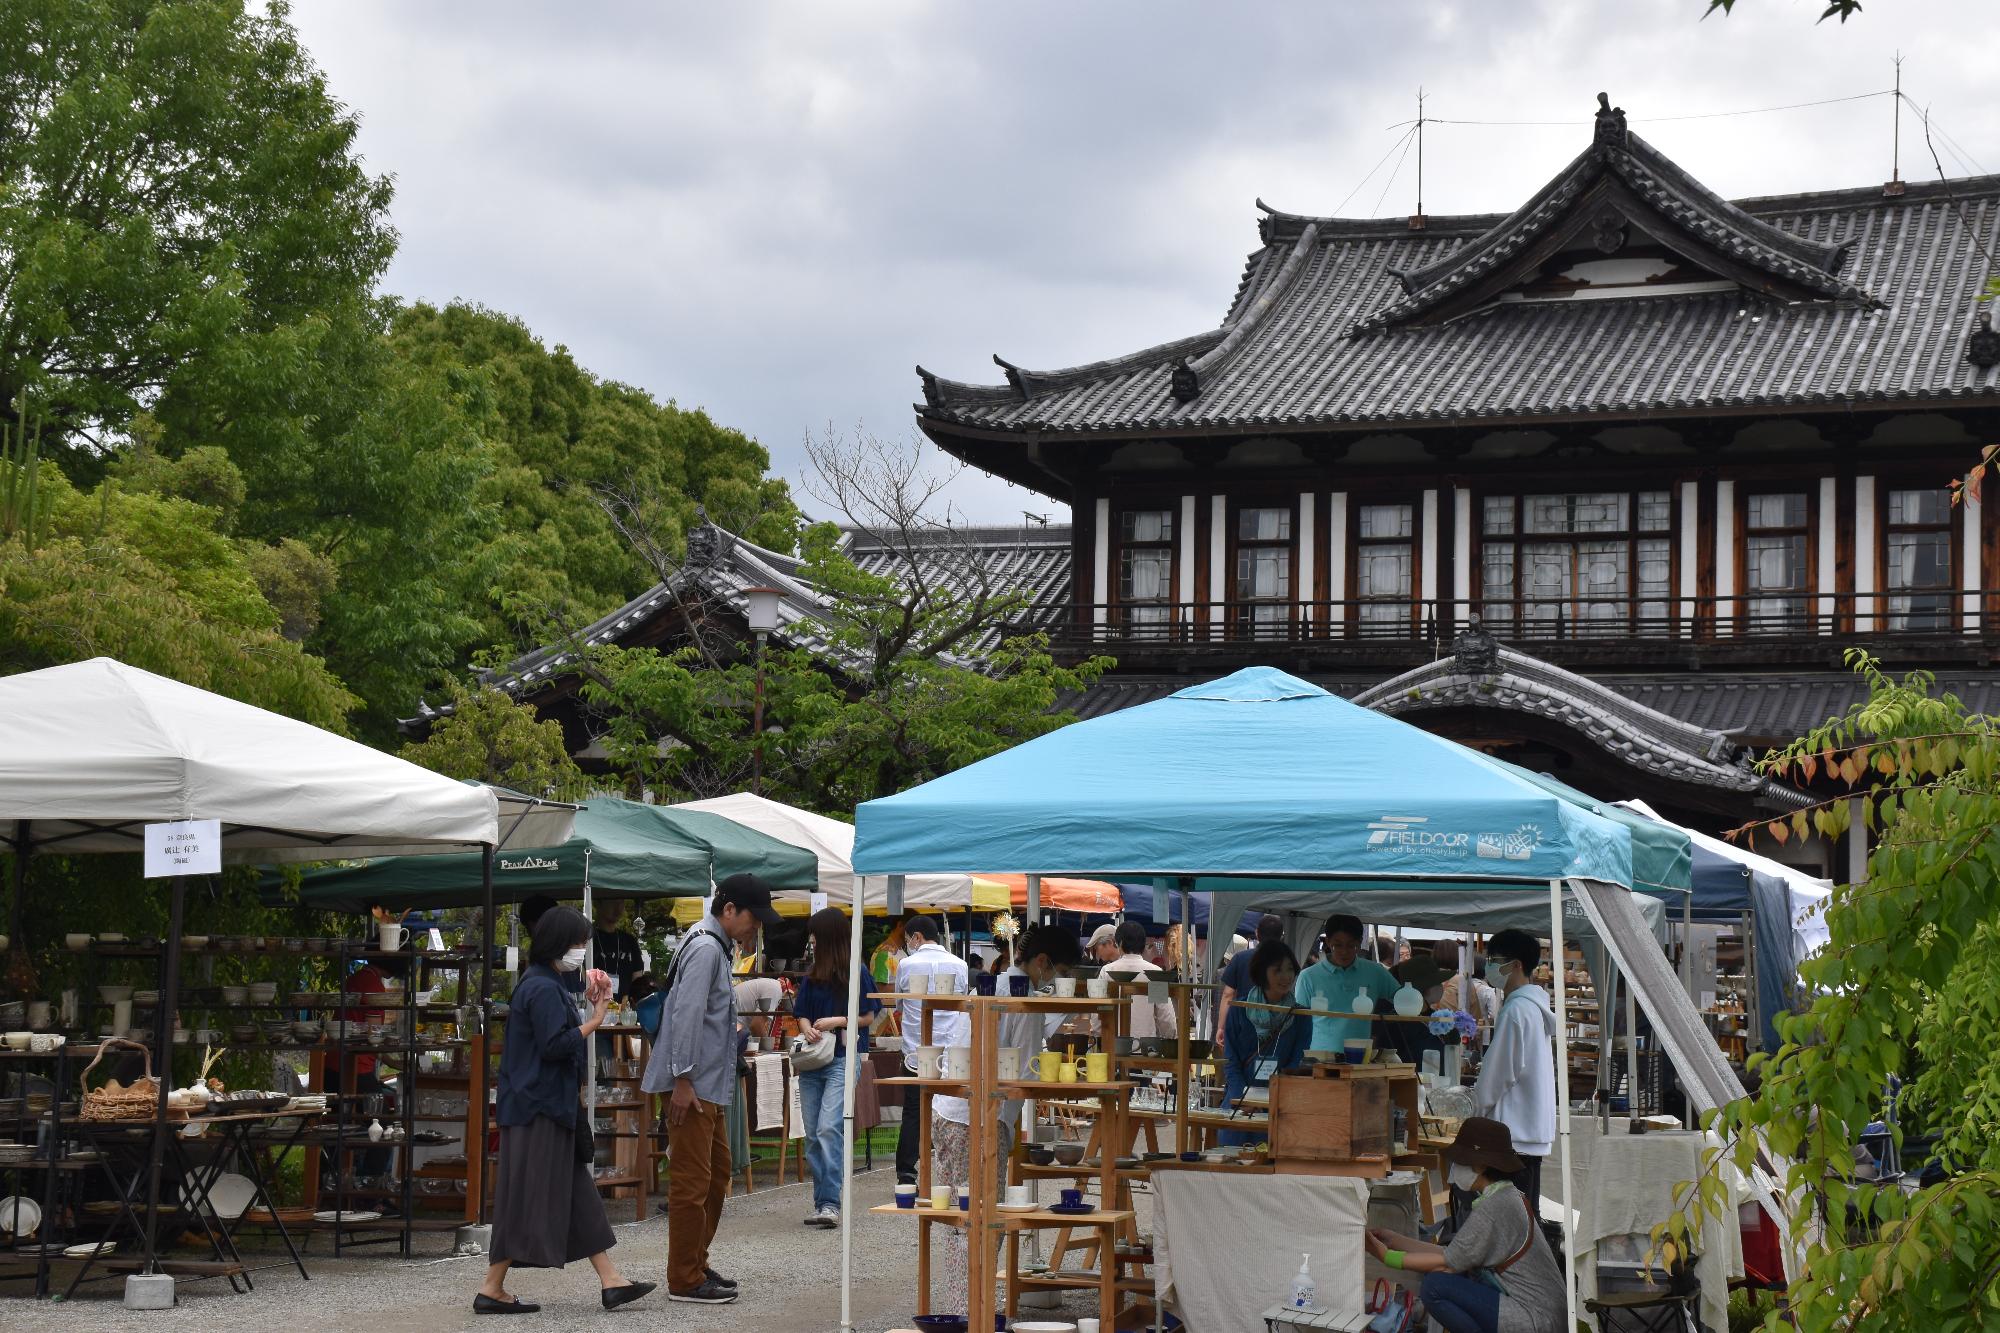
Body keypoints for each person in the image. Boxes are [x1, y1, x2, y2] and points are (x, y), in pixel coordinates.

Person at [478, 907, 654, 1315]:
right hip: (537, 1105)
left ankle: (611, 1280)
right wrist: (596, 1019)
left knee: (576, 1191)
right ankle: (491, 1287)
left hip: (544, 1103)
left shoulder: (545, 982)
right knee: (526, 1192)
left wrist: (589, 1007)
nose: (582, 951)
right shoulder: (540, 987)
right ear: (560, 944)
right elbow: (555, 1044)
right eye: (578, 944)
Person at [642, 874, 781, 1305]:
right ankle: (684, 1277)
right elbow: (685, 1015)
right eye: (753, 919)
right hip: (694, 1083)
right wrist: (682, 1079)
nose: (756, 927)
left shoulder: (711, 944)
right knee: (692, 1180)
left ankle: (694, 1263)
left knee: (717, 1172)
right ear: (729, 910)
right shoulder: (705, 947)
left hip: (706, 1083)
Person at [930, 924, 1081, 1313]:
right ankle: (970, 1314)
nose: (1060, 981)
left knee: (961, 1220)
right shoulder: (1023, 1000)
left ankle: (965, 1310)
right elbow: (1026, 1073)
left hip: (951, 1110)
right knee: (982, 1222)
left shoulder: (991, 986)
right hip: (981, 1119)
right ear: (1043, 963)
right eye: (1062, 973)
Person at [1364, 1116, 1565, 1333]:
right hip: (1543, 1313)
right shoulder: (1505, 1196)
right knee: (1446, 1276)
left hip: (1534, 1318)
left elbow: (1447, 1263)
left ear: (1480, 1165)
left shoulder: (1496, 1206)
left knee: (1435, 1287)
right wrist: (1395, 1240)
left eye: (1460, 1161)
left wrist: (1387, 1256)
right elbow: (1454, 1255)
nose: (1454, 1167)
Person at [790, 907, 881, 1229]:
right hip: (814, 1060)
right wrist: (807, 1028)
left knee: (829, 1127)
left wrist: (838, 1020)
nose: (811, 940)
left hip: (842, 1058)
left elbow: (869, 1016)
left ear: (828, 936)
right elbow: (800, 1012)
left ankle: (830, 1203)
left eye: (815, 934)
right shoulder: (814, 973)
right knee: (814, 1132)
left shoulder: (856, 971)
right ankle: (823, 1202)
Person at [1472, 929, 1557, 1207]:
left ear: (1517, 965)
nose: (1490, 966)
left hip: (1511, 1136)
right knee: (1526, 1221)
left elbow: (1498, 1075)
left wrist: (1475, 1112)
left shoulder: (1517, 1010)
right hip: (1528, 1132)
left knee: (1510, 1225)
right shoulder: (1532, 1006)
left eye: (1495, 960)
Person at [891, 914, 967, 1185]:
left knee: (913, 1110)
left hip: (917, 1052)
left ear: (917, 937)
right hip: (951, 1052)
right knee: (950, 1108)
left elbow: (900, 1007)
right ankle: (954, 1172)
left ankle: (907, 1173)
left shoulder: (906, 964)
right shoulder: (960, 965)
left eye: (909, 938)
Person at [1220, 939, 1309, 1145]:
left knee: (1272, 1171)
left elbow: (1295, 1065)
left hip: (1278, 1107)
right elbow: (1231, 1061)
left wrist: (1272, 1098)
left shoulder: (1302, 1015)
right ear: (1262, 972)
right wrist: (1242, 1098)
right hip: (1239, 1104)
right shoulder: (1239, 1009)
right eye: (1277, 970)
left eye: (1290, 969)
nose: (1286, 976)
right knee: (1232, 1167)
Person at [334, 944, 407, 1178]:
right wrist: (393, 1059)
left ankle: (333, 1182)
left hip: (333, 1065)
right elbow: (373, 1036)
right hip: (357, 1070)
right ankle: (371, 1185)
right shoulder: (374, 988)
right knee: (384, 1126)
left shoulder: (354, 979)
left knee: (337, 1129)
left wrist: (389, 1059)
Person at [1294, 913, 1398, 1055]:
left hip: (1360, 1060)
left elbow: (1402, 997)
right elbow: (1298, 1025)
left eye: (1351, 945)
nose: (1344, 951)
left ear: (1360, 942)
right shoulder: (1308, 977)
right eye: (1337, 945)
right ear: (1328, 941)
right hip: (1318, 1061)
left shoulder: (1375, 972)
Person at [1102, 919, 1176, 1039]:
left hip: (1112, 1044)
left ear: (1119, 943)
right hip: (1146, 1047)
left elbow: (1097, 1014)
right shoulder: (1155, 973)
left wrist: (1098, 1038)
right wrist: (1170, 1039)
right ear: (1143, 943)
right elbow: (1165, 1016)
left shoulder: (1107, 971)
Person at [1374, 956, 1451, 1068]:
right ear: (1425, 987)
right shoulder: (1397, 1022)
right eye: (1437, 983)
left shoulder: (1431, 1016)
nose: (1441, 987)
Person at [1216, 915, 1283, 1037]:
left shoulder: (1240, 958)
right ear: (1281, 936)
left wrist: (1221, 1027)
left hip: (1244, 1024)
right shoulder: (1287, 962)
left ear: (1257, 933)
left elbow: (1228, 994)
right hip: (1277, 1025)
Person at [592, 899, 645, 1000]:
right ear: (597, 903)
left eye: (621, 902)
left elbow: (637, 976)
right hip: (594, 1005)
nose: (618, 908)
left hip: (624, 1008)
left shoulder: (629, 940)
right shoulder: (587, 940)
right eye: (613, 902)